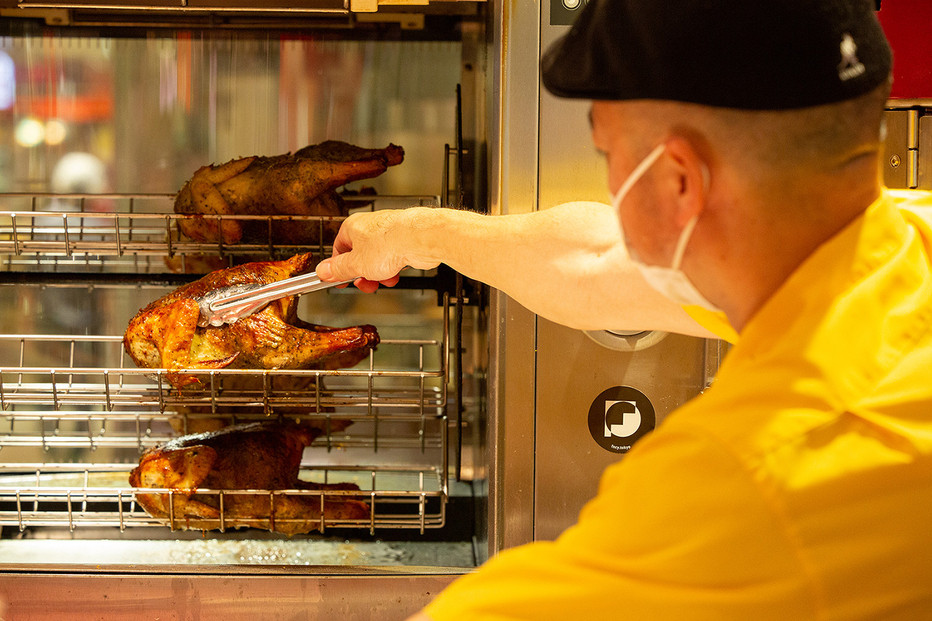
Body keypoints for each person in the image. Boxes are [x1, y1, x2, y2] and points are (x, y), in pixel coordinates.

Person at [316, 0, 932, 618]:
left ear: (681, 183)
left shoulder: (759, 480)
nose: (611, 191)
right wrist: (422, 234)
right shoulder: (892, 242)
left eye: (609, 158)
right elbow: (593, 260)